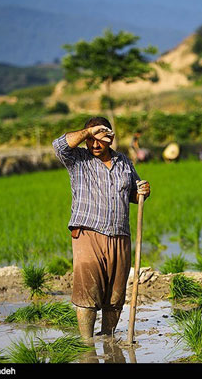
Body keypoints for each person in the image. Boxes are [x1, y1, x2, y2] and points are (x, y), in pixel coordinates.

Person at [52, 116, 150, 342]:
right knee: (88, 291)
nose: (95, 145)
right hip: (88, 233)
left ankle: (108, 338)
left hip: (119, 235)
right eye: (91, 140)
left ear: (110, 139)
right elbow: (59, 145)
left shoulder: (124, 161)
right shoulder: (78, 159)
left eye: (100, 140)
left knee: (115, 294)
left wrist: (143, 192)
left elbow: (133, 195)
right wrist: (89, 131)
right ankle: (87, 344)